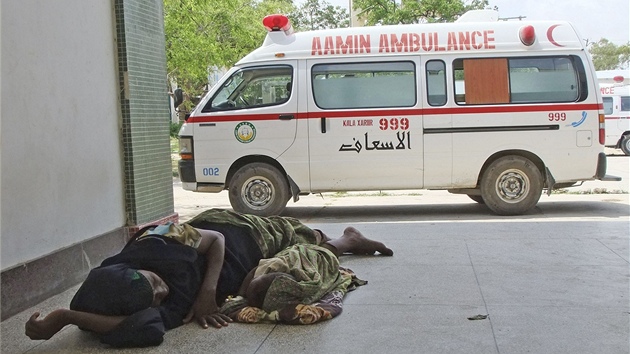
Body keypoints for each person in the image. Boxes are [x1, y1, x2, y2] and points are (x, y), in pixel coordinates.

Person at [25, 209, 393, 348]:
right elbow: (147, 330)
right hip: (250, 260)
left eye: (152, 281)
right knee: (300, 261)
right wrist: (66, 317)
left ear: (131, 268)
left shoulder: (155, 240)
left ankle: (348, 239)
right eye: (155, 297)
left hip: (239, 231)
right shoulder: (153, 308)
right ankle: (338, 244)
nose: (162, 290)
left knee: (304, 239)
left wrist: (207, 292)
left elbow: (214, 240)